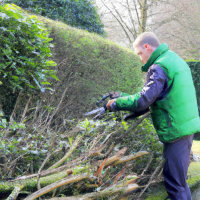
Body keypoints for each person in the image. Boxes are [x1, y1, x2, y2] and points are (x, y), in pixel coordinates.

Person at [106, 32, 200, 200]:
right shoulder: (174, 59)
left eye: (140, 53)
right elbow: (159, 97)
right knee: (178, 181)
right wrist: (124, 98)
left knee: (175, 183)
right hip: (183, 127)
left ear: (147, 47)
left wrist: (115, 104)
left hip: (176, 130)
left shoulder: (160, 66)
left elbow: (143, 100)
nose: (140, 58)